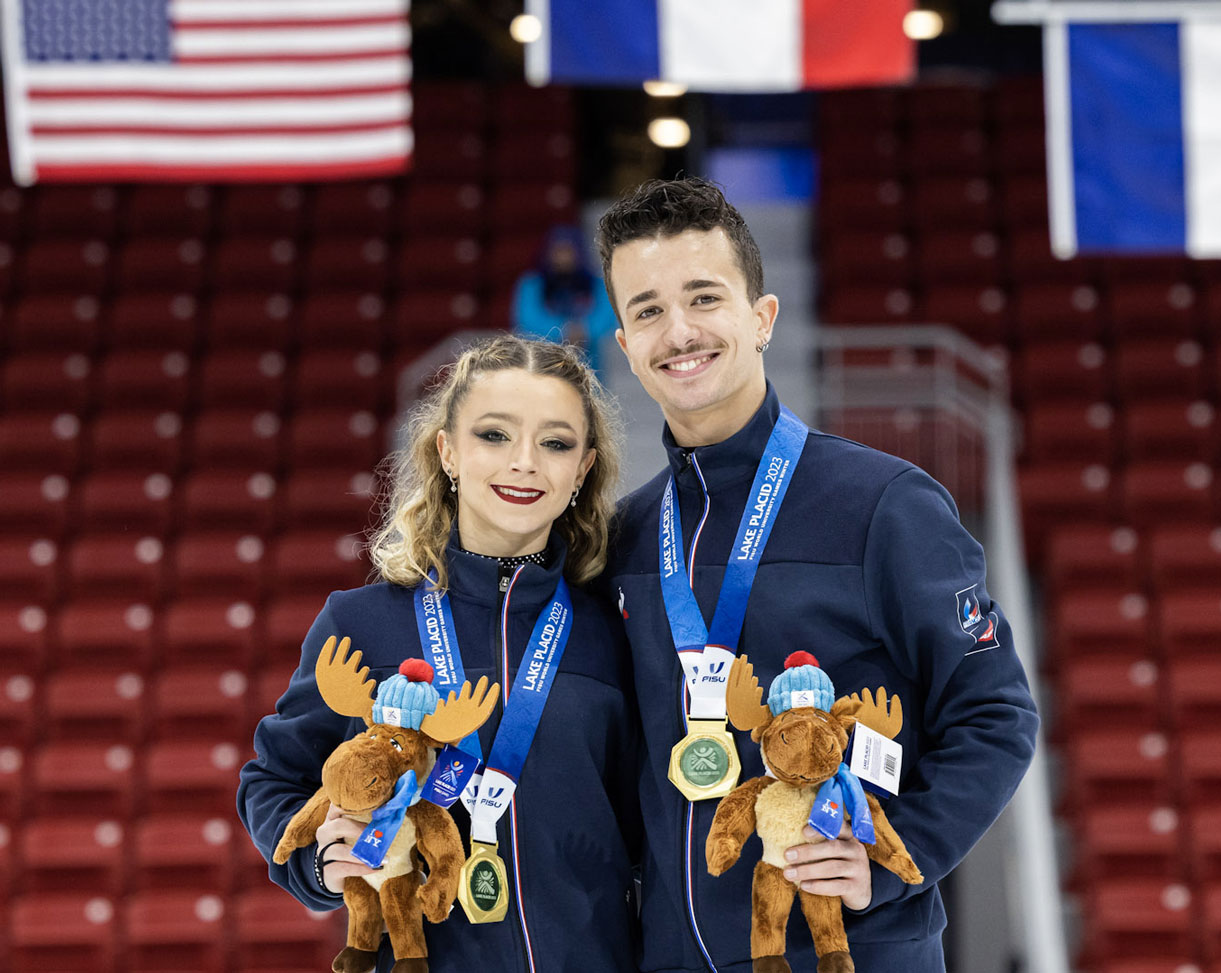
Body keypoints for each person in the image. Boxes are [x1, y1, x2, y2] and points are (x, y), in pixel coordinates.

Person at [596, 177, 1039, 973]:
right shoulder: (625, 537)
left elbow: (996, 715)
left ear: (762, 319)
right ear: (626, 347)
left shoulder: (884, 503)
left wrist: (894, 863)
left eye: (704, 297)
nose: (679, 331)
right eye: (648, 310)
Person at [238, 335, 639, 973]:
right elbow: (275, 779)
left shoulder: (611, 628)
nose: (525, 463)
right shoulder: (359, 622)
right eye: (494, 435)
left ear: (583, 470)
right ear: (447, 452)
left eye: (556, 443)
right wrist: (322, 860)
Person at [512, 224, 618, 377]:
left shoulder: (595, 283)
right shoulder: (532, 284)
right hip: (545, 366)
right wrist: (564, 331)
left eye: (568, 251)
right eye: (558, 251)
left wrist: (584, 330)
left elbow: (607, 317)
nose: (563, 257)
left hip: (589, 366)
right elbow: (526, 319)